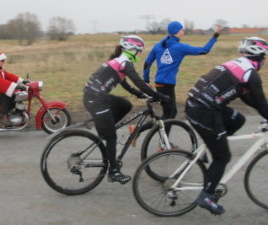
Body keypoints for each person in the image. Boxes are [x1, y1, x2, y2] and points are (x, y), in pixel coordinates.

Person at [185, 37, 268, 215]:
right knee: (223, 157)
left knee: (238, 119)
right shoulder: (250, 73)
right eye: (265, 57)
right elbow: (261, 102)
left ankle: (212, 143)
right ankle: (206, 196)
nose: (265, 61)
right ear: (260, 56)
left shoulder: (239, 65)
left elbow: (249, 98)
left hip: (200, 105)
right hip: (204, 111)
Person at [83, 35, 170, 184]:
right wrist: (159, 96)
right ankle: (113, 172)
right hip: (95, 100)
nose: (140, 54)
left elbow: (125, 83)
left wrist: (139, 94)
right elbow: (139, 82)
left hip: (95, 97)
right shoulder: (124, 63)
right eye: (139, 51)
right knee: (111, 138)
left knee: (125, 105)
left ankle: (106, 126)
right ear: (131, 49)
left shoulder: (119, 61)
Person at [143, 21, 222, 121]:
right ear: (176, 32)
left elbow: (147, 63)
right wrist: (215, 35)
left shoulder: (159, 45)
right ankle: (144, 131)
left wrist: (146, 80)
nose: (183, 31)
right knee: (169, 116)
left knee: (170, 114)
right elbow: (204, 50)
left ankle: (159, 135)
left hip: (159, 84)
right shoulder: (180, 47)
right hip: (167, 85)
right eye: (182, 29)